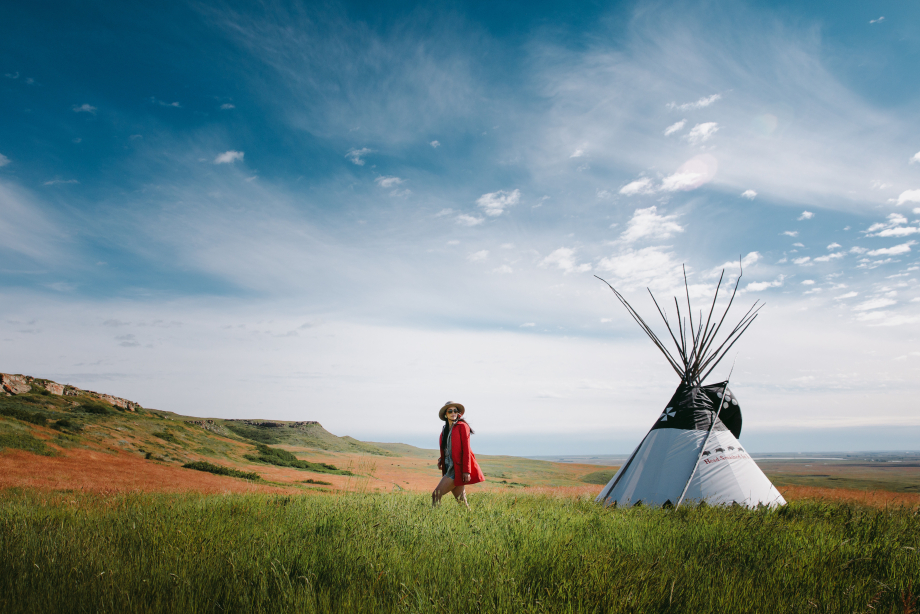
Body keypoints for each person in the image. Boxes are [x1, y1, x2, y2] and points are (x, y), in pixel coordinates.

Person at [432, 401, 484, 508]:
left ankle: (434, 520)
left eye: (455, 411)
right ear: (445, 414)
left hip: (457, 469)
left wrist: (466, 471)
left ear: (458, 413)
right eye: (450, 411)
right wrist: (442, 459)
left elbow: (466, 449)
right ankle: (470, 522)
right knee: (462, 503)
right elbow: (447, 447)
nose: (453, 413)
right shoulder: (445, 429)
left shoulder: (462, 426)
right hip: (449, 466)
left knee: (436, 495)